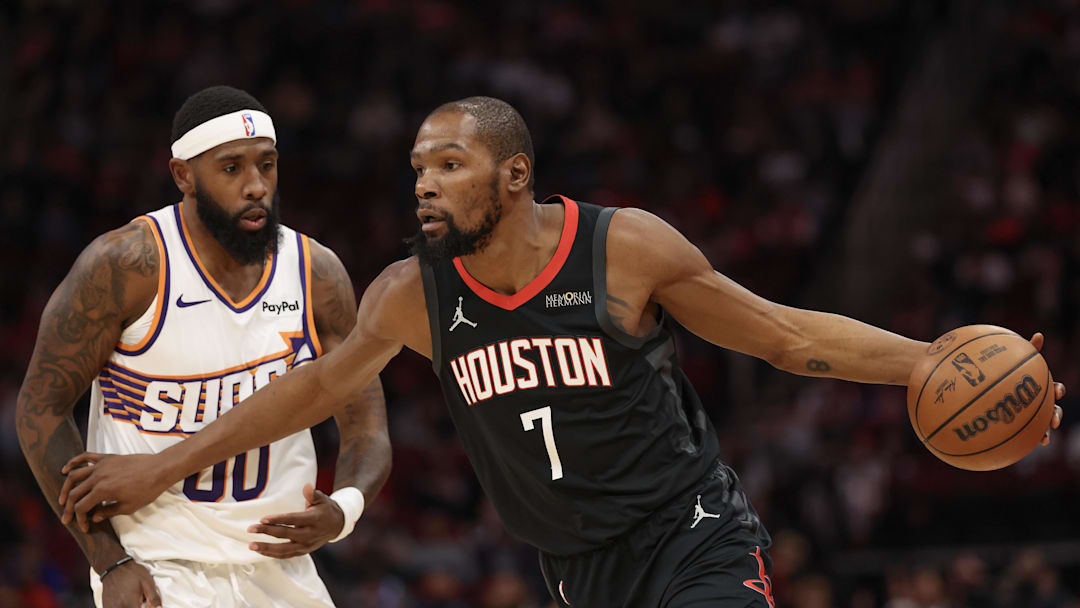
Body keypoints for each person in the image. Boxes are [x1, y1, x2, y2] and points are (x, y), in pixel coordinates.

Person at [56, 96, 1065, 607]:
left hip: (691, 534)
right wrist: (158, 466)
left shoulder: (625, 250)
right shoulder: (412, 294)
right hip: (580, 570)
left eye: (449, 165)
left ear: (513, 176)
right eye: (417, 168)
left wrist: (927, 359)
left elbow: (788, 336)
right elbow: (308, 391)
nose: (423, 185)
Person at [15, 86, 390, 608]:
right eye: (231, 168)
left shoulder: (315, 272)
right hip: (158, 566)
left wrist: (345, 508)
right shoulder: (127, 265)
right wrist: (109, 560)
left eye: (267, 165)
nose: (256, 186)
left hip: (282, 569)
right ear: (183, 175)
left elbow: (366, 423)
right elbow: (41, 408)